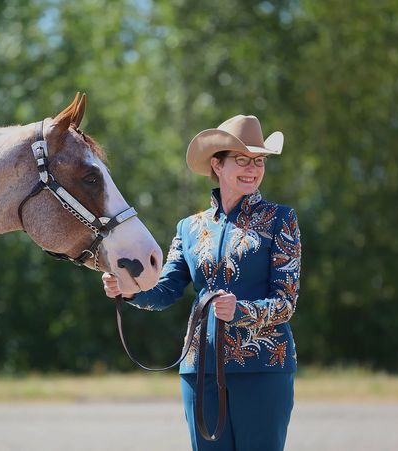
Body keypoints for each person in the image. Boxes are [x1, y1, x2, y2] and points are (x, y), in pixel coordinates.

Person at [102, 115, 302, 451]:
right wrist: (131, 290)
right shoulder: (189, 228)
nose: (252, 169)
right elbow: (165, 291)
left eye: (259, 161)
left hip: (263, 369)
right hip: (199, 370)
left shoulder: (281, 219)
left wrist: (240, 310)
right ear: (217, 164)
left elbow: (285, 303)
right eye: (242, 160)